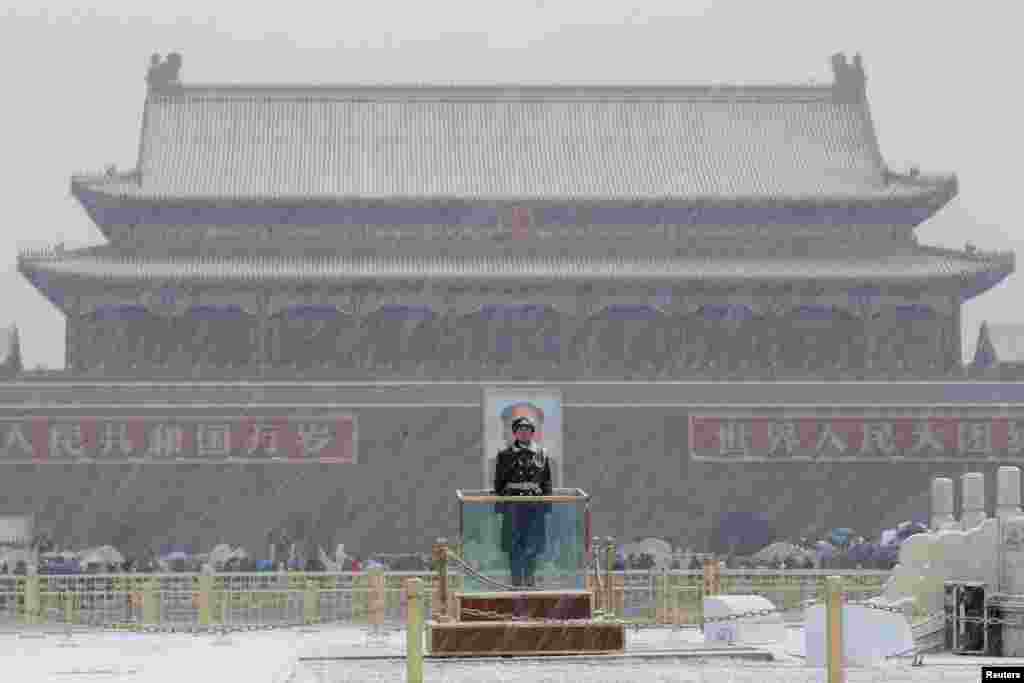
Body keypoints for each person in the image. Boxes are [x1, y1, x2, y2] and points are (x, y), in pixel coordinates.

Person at [494, 415, 552, 588]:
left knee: (533, 544)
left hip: (534, 505)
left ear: (532, 433)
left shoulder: (541, 453)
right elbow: (499, 483)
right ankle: (516, 581)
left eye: (528, 430)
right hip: (514, 505)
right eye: (521, 430)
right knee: (514, 545)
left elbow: (546, 481)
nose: (524, 433)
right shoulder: (505, 455)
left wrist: (547, 505)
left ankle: (530, 579)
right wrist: (506, 499)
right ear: (515, 433)